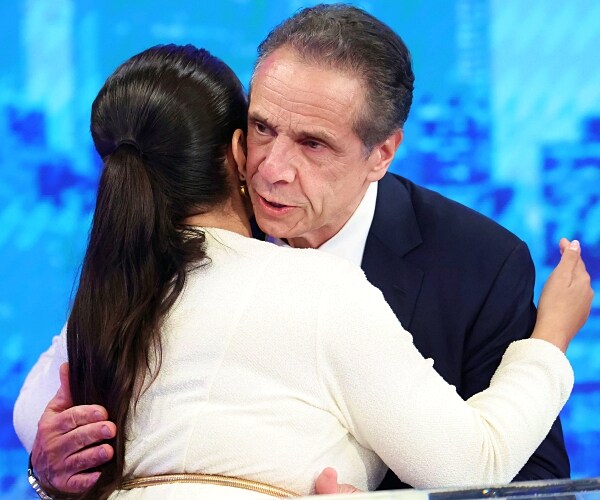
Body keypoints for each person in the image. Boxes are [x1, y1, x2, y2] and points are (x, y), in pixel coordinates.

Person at [12, 4, 591, 497]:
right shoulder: (155, 249)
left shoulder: (477, 263)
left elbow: (527, 487)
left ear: (382, 153)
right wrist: (49, 471)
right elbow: (47, 410)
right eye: (263, 128)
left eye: (313, 144)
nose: (272, 170)